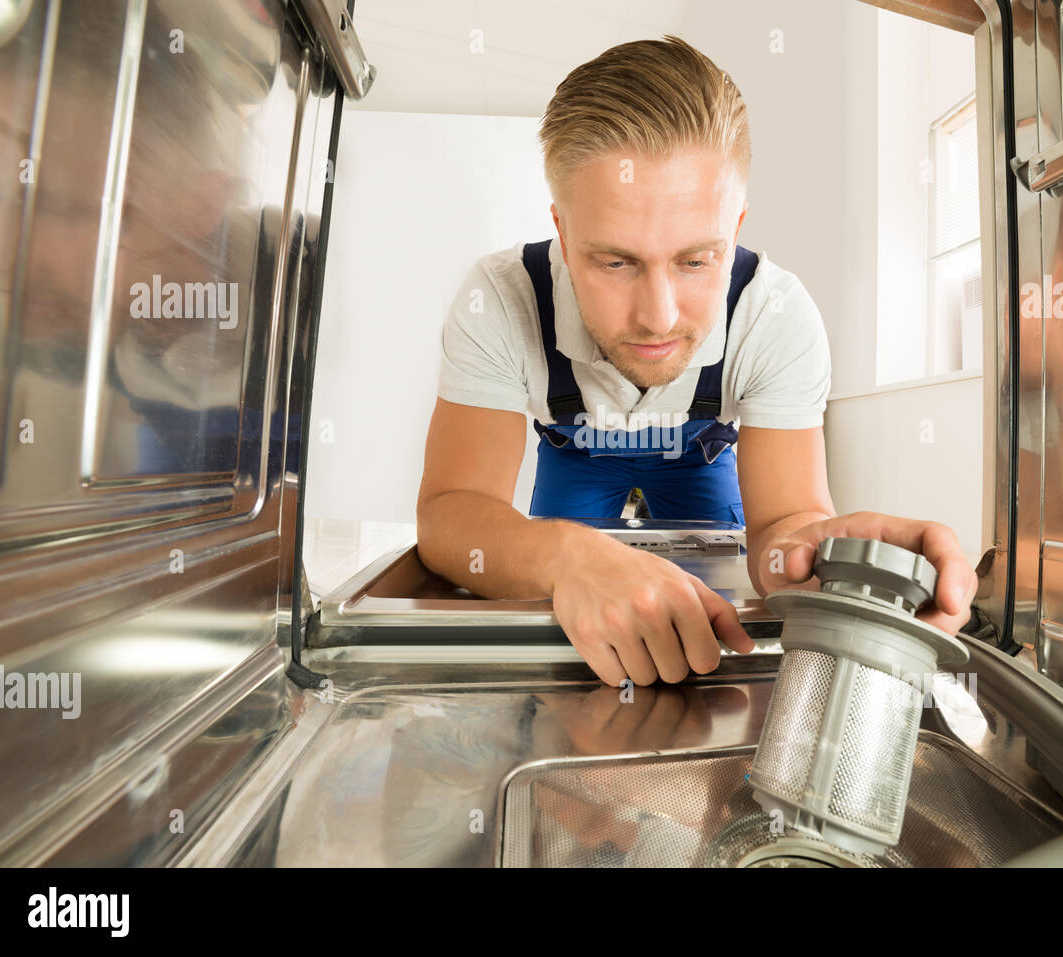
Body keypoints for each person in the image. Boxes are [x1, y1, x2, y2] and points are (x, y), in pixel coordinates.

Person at [417, 35, 975, 687]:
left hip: (698, 455)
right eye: (616, 261)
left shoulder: (776, 315)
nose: (658, 316)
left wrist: (825, 554)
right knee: (564, 609)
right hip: (575, 454)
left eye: (695, 260)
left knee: (714, 625)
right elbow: (455, 510)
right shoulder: (501, 299)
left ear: (735, 229)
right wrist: (565, 555)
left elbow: (779, 530)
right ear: (563, 235)